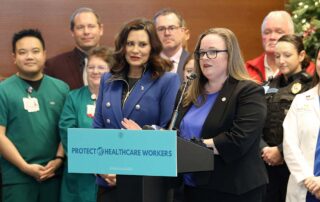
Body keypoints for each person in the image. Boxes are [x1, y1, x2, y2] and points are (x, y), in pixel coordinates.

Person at [173, 27, 268, 202]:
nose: (205, 58)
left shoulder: (248, 91)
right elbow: (176, 131)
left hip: (232, 190)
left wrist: (193, 146)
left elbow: (238, 140)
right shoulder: (187, 91)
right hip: (189, 187)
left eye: (213, 52)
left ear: (230, 55)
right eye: (201, 53)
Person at [92, 18, 180, 202]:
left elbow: (170, 132)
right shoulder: (107, 79)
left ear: (152, 47)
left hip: (146, 179)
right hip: (109, 180)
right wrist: (102, 168)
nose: (135, 50)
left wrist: (143, 136)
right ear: (122, 46)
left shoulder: (167, 80)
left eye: (142, 44)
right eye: (130, 43)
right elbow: (97, 129)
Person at [0, 29, 69, 202]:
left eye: (35, 51)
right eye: (23, 52)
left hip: (53, 175)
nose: (29, 56)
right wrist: (25, 167)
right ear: (14, 57)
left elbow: (67, 130)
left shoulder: (61, 88)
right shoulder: (4, 90)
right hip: (17, 178)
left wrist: (59, 159)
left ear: (44, 55)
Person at [261, 34, 313, 202]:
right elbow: (256, 121)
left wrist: (281, 151)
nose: (281, 60)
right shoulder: (268, 85)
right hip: (265, 161)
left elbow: (309, 129)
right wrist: (264, 149)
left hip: (295, 166)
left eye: (287, 55)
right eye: (277, 56)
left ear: (301, 55)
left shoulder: (310, 87)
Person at [58, 46, 113, 202]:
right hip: (79, 176)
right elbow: (67, 134)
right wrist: (94, 165)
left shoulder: (119, 98)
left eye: (101, 67)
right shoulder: (73, 97)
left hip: (111, 175)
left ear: (112, 70)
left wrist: (106, 168)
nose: (95, 71)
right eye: (91, 67)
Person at [283, 47, 320, 202]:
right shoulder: (301, 100)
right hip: (304, 186)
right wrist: (308, 179)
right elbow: (289, 144)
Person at [246, 11, 315, 84]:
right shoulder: (247, 69)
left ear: (291, 35)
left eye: (279, 32)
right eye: (267, 32)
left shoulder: (311, 71)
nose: (272, 37)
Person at [45, 7, 104, 89]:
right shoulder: (54, 66)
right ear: (72, 32)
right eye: (80, 27)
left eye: (91, 26)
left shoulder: (117, 62)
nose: (86, 32)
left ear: (100, 29)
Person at [153, 8, 190, 82]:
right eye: (161, 29)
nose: (167, 33)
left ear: (182, 31)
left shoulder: (195, 62)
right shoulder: (147, 63)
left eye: (172, 28)